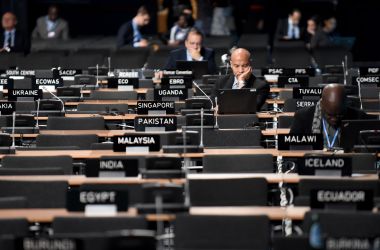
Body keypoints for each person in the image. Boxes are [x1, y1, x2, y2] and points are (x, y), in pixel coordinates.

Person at [290, 84, 373, 149]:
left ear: (345, 105)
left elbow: (369, 149)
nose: (334, 119)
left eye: (339, 115)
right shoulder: (303, 116)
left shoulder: (359, 117)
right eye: (329, 115)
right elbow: (291, 148)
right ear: (322, 105)